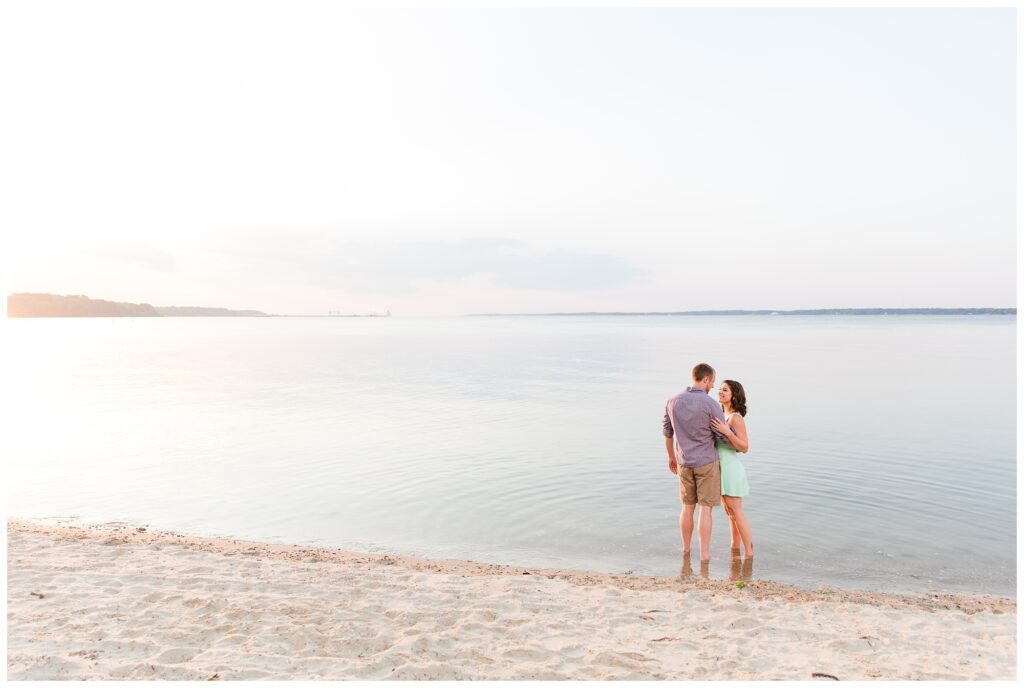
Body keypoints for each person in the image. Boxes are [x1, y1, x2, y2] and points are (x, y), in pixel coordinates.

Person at [662, 362, 727, 563]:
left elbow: (667, 431)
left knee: (687, 507)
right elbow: (722, 435)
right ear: (705, 379)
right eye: (713, 382)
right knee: (705, 509)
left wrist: (671, 457)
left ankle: (686, 550)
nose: (713, 386)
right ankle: (705, 555)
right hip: (706, 462)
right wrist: (734, 437)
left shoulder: (672, 401)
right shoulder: (710, 404)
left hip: (683, 462)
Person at [712, 380, 753, 559]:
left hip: (731, 470)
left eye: (725, 390)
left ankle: (749, 554)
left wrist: (727, 432)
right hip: (721, 469)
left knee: (736, 512)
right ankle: (734, 549)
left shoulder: (735, 418)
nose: (720, 392)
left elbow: (744, 447)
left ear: (733, 395)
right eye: (719, 389)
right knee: (730, 514)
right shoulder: (722, 415)